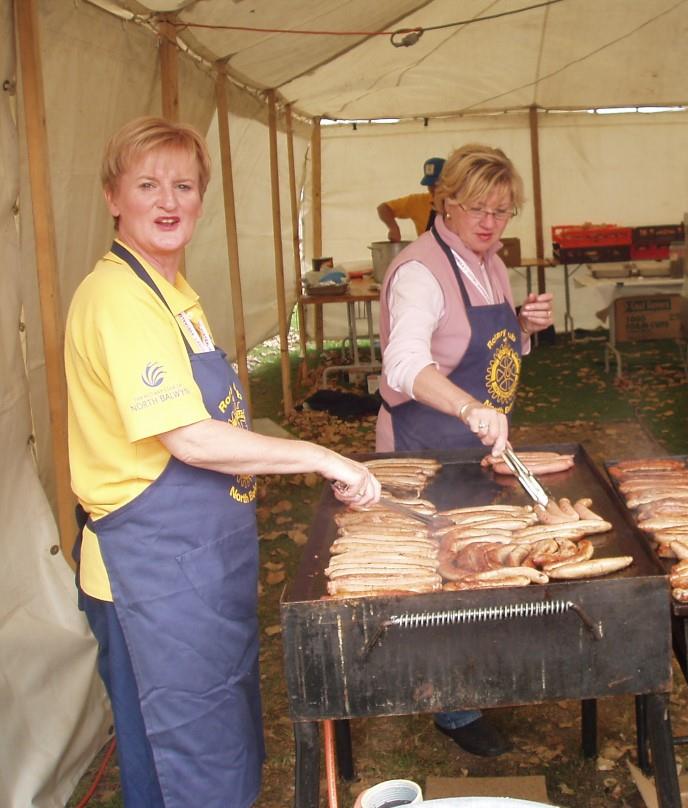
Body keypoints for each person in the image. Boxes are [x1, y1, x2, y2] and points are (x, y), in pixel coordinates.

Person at [64, 116, 382, 808]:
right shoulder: (119, 299)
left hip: (199, 566)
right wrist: (321, 454)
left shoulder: (172, 292)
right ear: (113, 197)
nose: (168, 200)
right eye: (148, 184)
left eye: (183, 184)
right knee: (179, 757)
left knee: (215, 741)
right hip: (151, 575)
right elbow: (191, 437)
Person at [376, 143, 554, 754]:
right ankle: (451, 708)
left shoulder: (490, 262)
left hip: (479, 446)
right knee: (440, 576)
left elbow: (493, 354)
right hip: (425, 446)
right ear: (445, 202)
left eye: (502, 212)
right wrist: (470, 408)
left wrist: (525, 329)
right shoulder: (421, 272)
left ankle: (478, 681)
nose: (489, 223)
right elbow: (404, 364)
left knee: (483, 562)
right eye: (477, 208)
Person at [377, 156, 444, 242]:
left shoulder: (460, 202)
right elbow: (383, 208)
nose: (433, 188)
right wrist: (393, 228)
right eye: (429, 184)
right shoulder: (417, 202)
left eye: (437, 184)